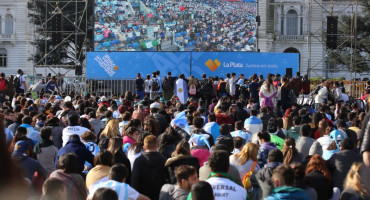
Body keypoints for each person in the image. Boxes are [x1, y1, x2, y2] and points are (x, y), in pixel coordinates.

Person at [131, 135, 167, 200]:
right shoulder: (163, 160)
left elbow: (135, 181)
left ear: (144, 147)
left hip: (143, 196)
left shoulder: (138, 161)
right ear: (157, 146)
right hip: (160, 196)